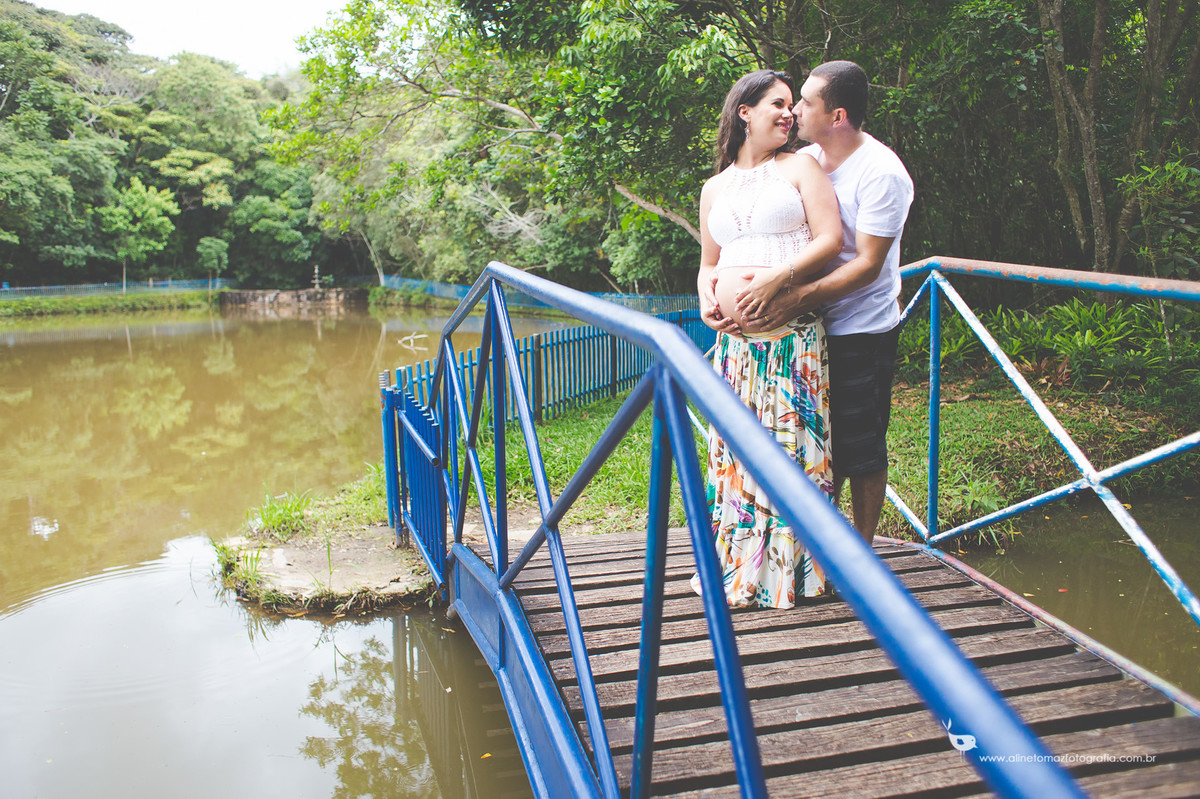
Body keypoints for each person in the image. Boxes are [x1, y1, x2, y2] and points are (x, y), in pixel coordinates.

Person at [741, 60, 914, 547]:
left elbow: (869, 265)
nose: (794, 109)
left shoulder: (882, 173)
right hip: (805, 328)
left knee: (861, 445)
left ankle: (861, 551)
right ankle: (819, 546)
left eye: (806, 101)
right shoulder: (809, 158)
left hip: (860, 326)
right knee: (816, 440)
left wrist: (793, 297)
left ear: (837, 115)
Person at [691, 69, 844, 609]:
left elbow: (830, 239)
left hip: (790, 342)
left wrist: (780, 279)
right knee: (737, 455)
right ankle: (738, 566)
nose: (788, 114)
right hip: (736, 348)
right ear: (744, 112)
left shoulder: (801, 167)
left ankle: (789, 575)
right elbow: (709, 265)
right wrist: (710, 306)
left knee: (788, 452)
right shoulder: (714, 187)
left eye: (791, 105)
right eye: (776, 105)